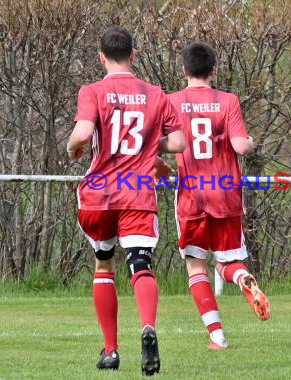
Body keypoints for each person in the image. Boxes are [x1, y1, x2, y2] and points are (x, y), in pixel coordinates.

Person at [66, 26, 185, 375]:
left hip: (99, 194)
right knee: (140, 263)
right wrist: (151, 143)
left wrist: (73, 146)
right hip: (136, 192)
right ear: (133, 55)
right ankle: (148, 327)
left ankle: (111, 350)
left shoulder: (92, 91)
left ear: (102, 57)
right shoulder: (155, 94)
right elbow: (177, 143)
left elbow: (84, 134)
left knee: (104, 264)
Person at [167, 42, 270, 349]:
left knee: (196, 265)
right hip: (226, 193)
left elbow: (163, 142)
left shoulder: (171, 101)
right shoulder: (228, 101)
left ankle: (217, 336)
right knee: (228, 262)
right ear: (213, 71)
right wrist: (249, 141)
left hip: (191, 196)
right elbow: (240, 147)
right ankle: (242, 279)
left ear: (185, 71)